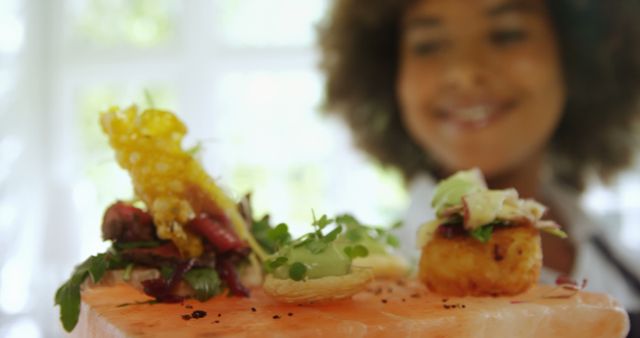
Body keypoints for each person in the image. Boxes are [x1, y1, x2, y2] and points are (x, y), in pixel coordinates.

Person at [318, 0, 640, 336]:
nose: (464, 72)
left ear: (577, 58)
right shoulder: (370, 287)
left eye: (506, 34)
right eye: (428, 45)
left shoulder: (618, 254)